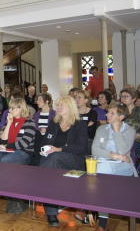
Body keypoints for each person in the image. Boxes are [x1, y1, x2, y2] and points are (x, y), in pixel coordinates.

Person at [38, 96, 88, 227]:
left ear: (70, 107)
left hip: (74, 160)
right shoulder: (53, 123)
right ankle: (51, 212)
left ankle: (40, 185)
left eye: (62, 105)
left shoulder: (80, 124)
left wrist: (60, 149)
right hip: (53, 160)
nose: (58, 108)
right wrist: (46, 148)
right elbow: (45, 142)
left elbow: (82, 148)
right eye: (57, 105)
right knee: (51, 161)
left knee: (53, 158)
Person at [91, 104, 137, 231]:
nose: (107, 115)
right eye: (108, 112)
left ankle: (101, 220)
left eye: (111, 113)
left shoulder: (130, 130)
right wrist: (115, 156)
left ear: (121, 117)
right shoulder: (102, 129)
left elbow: (123, 149)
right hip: (105, 163)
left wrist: (116, 131)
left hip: (123, 166)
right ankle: (101, 219)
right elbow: (94, 150)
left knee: (98, 173)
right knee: (101, 171)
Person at [0, 98, 39, 214]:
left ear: (20, 108)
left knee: (5, 161)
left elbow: (24, 144)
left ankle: (13, 199)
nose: (10, 110)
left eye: (12, 108)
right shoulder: (11, 121)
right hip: (10, 150)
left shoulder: (29, 123)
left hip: (24, 152)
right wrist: (9, 123)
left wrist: (7, 146)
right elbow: (3, 139)